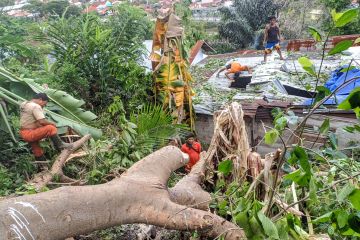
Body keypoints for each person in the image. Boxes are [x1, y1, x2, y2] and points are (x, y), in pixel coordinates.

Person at [19, 93, 72, 162]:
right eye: (44, 104)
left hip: (24, 133)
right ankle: (60, 145)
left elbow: (33, 121)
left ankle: (42, 166)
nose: (44, 106)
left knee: (37, 150)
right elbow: (42, 121)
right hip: (30, 133)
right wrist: (52, 123)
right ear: (40, 99)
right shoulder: (35, 106)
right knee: (51, 127)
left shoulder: (24, 104)